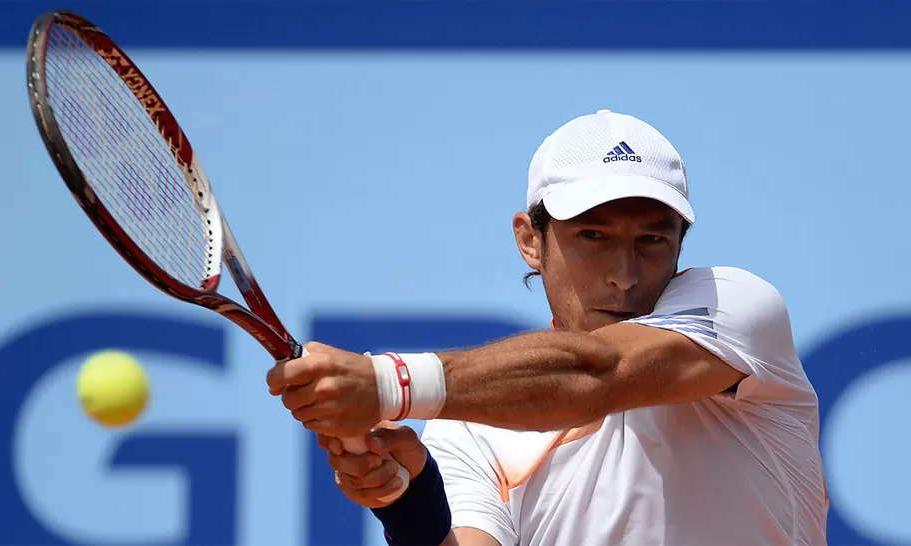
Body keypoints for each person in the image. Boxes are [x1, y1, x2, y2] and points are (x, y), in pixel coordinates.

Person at [266, 109, 829, 545]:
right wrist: (411, 505)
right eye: (594, 237)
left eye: (651, 240)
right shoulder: (467, 432)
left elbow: (599, 373)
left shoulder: (736, 309)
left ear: (681, 245)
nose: (624, 276)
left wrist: (388, 385)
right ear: (530, 241)